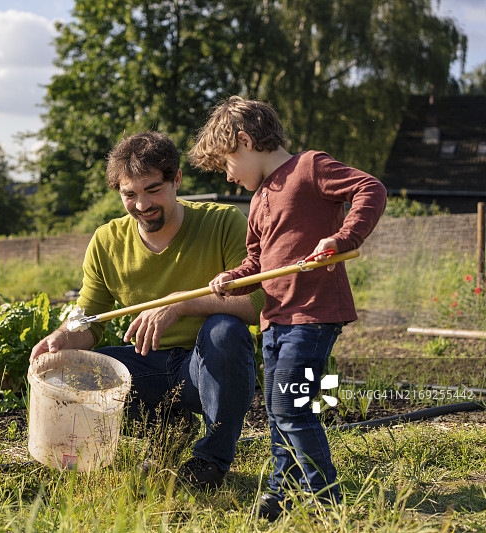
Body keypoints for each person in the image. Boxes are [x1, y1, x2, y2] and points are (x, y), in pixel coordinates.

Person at [30, 130, 265, 490]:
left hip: (205, 364)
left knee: (225, 331)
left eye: (153, 189)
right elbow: (89, 320)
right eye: (130, 194)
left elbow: (256, 303)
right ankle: (168, 428)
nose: (142, 205)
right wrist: (62, 337)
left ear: (177, 180)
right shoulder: (107, 241)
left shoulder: (222, 223)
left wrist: (183, 303)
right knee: (76, 370)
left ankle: (211, 460)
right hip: (148, 362)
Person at [190, 96, 387, 519]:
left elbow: (370, 188)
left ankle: (325, 500)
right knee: (279, 412)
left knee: (291, 409)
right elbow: (256, 262)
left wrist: (343, 238)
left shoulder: (309, 167)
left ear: (244, 141)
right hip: (274, 321)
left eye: (226, 164)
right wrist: (231, 277)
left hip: (312, 317)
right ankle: (283, 493)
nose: (228, 176)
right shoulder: (258, 200)